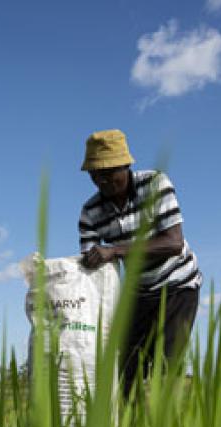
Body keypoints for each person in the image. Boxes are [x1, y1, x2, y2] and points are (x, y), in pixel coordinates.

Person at [78, 129, 201, 398]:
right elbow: (90, 266)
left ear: (126, 165)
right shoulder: (90, 213)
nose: (104, 181)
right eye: (96, 176)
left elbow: (172, 243)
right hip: (138, 292)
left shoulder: (155, 184)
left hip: (178, 284)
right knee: (125, 367)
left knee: (164, 364)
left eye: (110, 173)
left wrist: (116, 251)